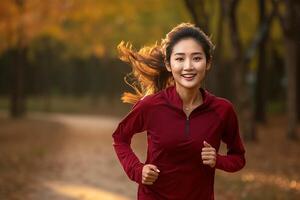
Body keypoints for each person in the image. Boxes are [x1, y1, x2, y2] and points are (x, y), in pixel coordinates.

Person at [112, 22, 246, 200]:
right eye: (180, 58)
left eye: (197, 58)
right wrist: (138, 170)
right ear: (168, 64)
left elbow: (238, 158)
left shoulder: (222, 110)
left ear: (208, 63)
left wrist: (218, 160)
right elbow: (120, 138)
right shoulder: (151, 106)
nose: (188, 66)